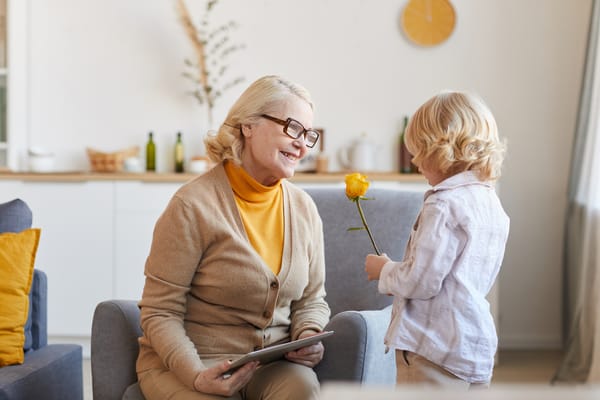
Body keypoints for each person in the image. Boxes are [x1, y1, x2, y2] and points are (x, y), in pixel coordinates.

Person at [136, 75, 331, 400]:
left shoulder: (304, 208)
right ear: (248, 125)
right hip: (191, 363)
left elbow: (312, 298)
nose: (302, 144)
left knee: (303, 388)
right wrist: (197, 376)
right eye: (292, 128)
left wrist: (308, 334)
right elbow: (160, 312)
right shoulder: (191, 206)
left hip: (270, 364)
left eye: (308, 135)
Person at [364, 91, 510, 388]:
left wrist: (385, 270)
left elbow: (421, 282)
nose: (415, 161)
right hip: (473, 344)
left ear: (441, 149)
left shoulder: (442, 205)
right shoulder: (489, 202)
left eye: (418, 150)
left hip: (434, 349)